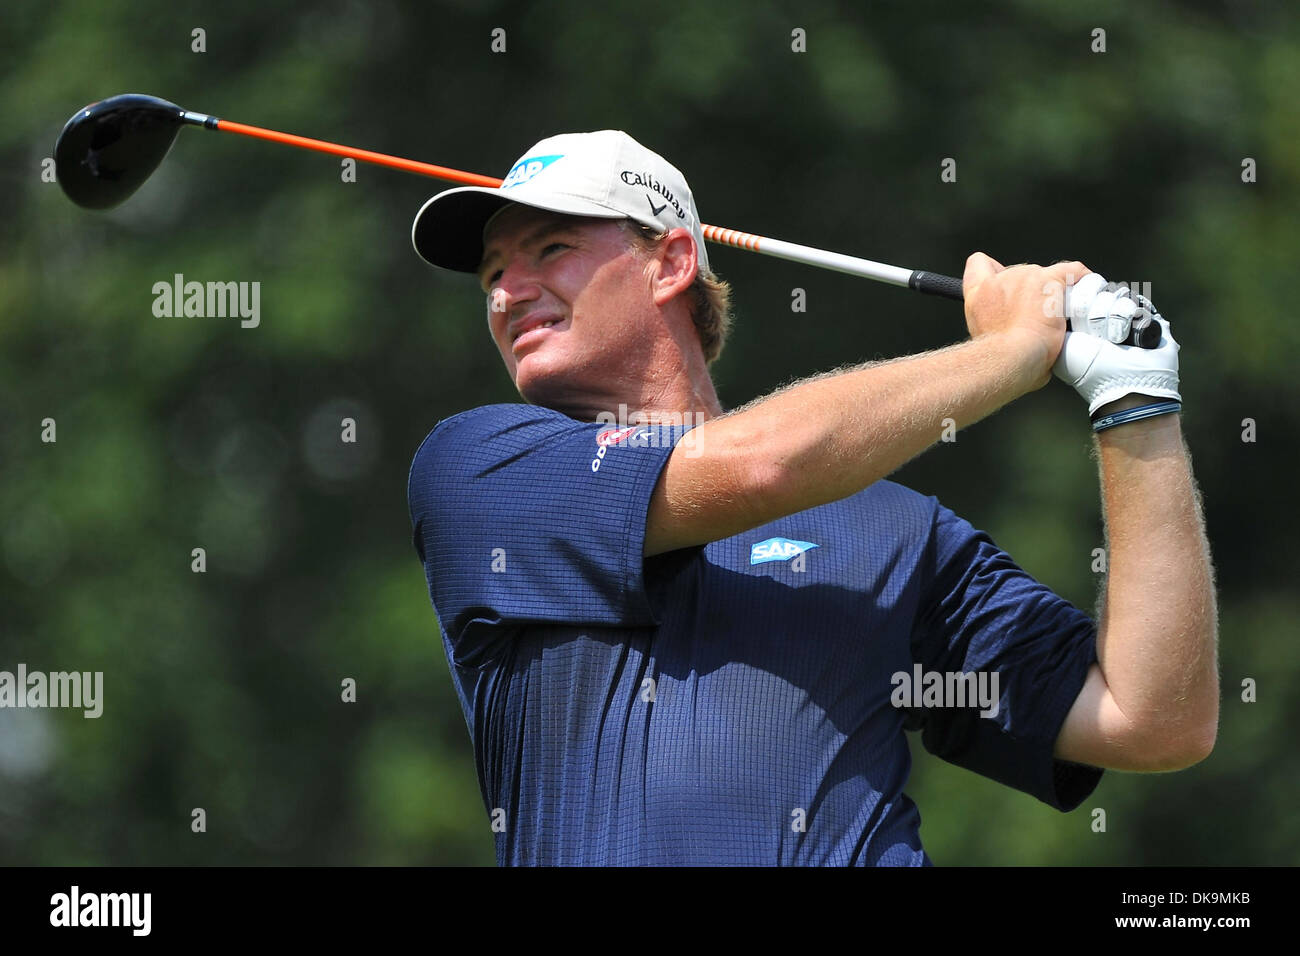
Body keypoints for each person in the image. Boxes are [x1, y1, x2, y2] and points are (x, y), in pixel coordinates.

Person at [405, 130, 1219, 866]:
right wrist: (1016, 349)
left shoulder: (896, 529)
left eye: (550, 247)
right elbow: (760, 467)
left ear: (672, 262)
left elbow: (1151, 719)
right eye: (492, 273)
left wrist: (1135, 401)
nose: (508, 291)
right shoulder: (479, 470)